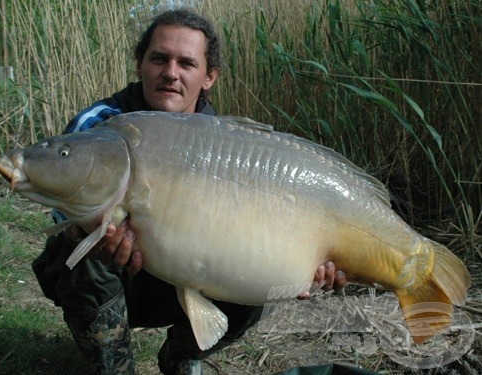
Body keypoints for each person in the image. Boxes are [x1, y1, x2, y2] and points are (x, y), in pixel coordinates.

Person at [32, 9, 346, 375]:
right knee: (82, 250)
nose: (171, 73)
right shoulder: (98, 128)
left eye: (186, 63)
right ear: (140, 65)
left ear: (208, 77)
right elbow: (63, 216)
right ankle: (114, 366)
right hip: (114, 279)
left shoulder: (220, 141)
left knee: (259, 275)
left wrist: (309, 266)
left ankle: (181, 358)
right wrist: (84, 231)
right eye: (159, 59)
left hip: (182, 276)